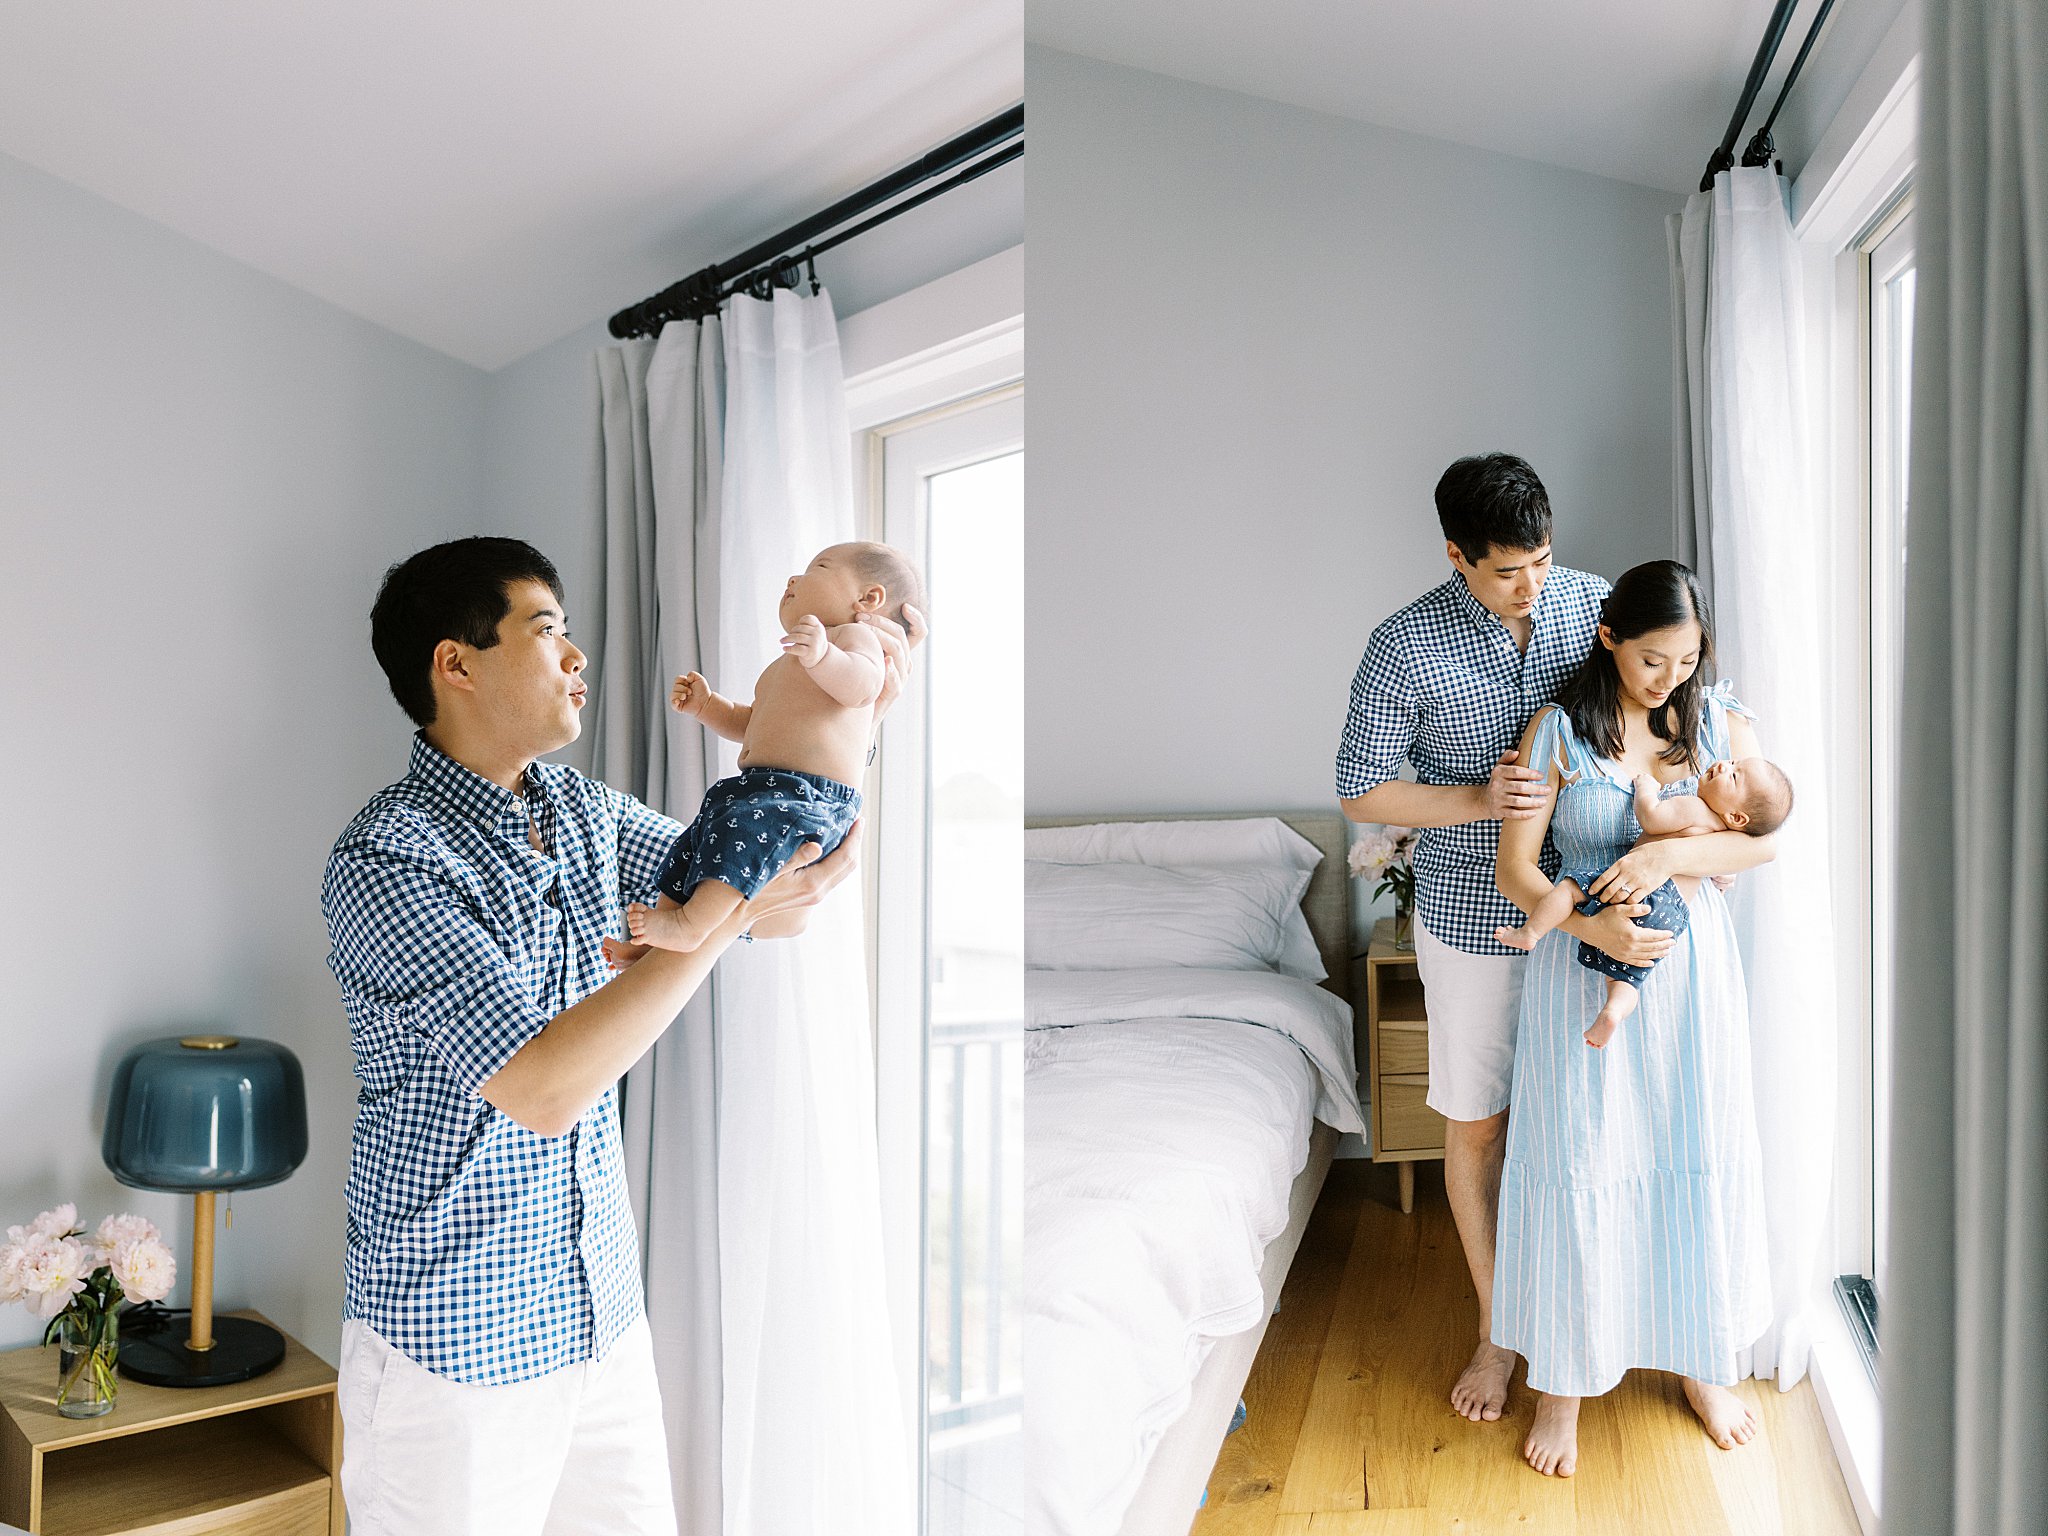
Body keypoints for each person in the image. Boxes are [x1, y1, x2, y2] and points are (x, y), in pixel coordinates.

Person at [320, 536, 917, 1535]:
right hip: (452, 1348)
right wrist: (721, 920)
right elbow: (543, 1087)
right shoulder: (390, 857)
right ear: (454, 664)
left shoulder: (583, 809)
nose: (577, 655)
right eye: (546, 630)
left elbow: (767, 904)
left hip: (597, 1315)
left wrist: (831, 755)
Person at [1337, 452, 1631, 1423]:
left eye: (1541, 559)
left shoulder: (1589, 600)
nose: (1530, 584)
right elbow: (1360, 789)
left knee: (1594, 1120)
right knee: (1479, 1123)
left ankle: (1605, 1317)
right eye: (1507, 568)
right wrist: (1475, 798)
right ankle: (1497, 1328)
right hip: (1471, 916)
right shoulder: (1401, 644)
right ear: (1455, 555)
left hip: (1592, 896)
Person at [1491, 559, 1777, 1478]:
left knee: (1689, 1150)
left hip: (1689, 978)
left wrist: (1658, 869)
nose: (1670, 681)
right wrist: (1591, 917)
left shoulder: (1718, 720)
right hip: (1584, 976)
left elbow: (1768, 840)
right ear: (1610, 638)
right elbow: (1517, 872)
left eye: (1687, 662)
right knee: (1582, 1161)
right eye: (1654, 661)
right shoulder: (1557, 734)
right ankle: (1563, 1385)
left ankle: (1703, 1363)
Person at [623, 542, 925, 953]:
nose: (794, 578)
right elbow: (754, 724)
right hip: (757, 787)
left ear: (868, 599)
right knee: (693, 848)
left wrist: (822, 656)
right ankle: (653, 943)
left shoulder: (856, 638)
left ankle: (689, 927)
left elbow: (863, 687)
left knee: (732, 847)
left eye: (817, 567)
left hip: (806, 795)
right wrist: (708, 706)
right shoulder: (786, 666)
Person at [1494, 754, 1793, 1045]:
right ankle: (1614, 1009)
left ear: (1738, 817)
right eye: (1733, 762)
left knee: (1570, 890)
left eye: (1734, 775)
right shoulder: (1721, 833)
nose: (1724, 764)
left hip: (1638, 888)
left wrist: (1646, 789)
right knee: (1630, 971)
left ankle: (1531, 932)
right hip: (1671, 915)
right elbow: (1721, 867)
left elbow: (1652, 817)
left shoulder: (1694, 807)